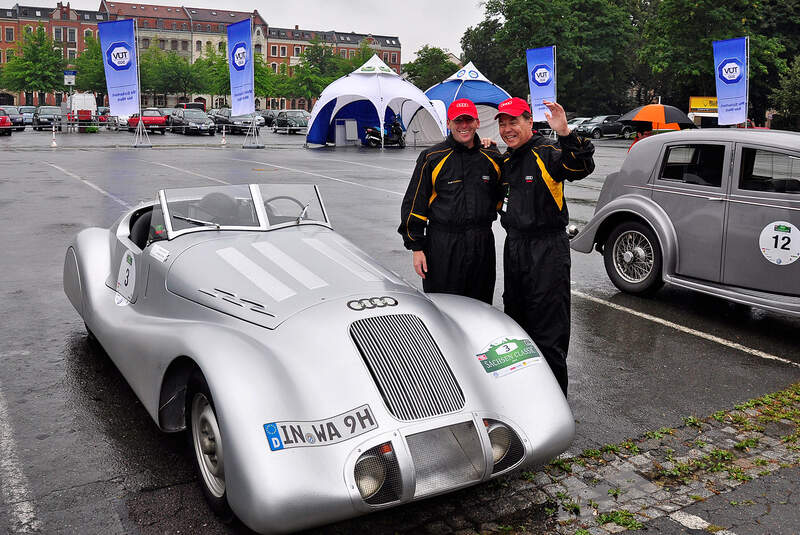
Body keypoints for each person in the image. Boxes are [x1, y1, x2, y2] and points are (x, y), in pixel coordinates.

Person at [495, 97, 595, 395]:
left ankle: (553, 404)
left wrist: (565, 133)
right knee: (516, 326)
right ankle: (524, 395)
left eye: (514, 122)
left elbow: (581, 166)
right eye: (502, 123)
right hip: (514, 249)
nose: (507, 129)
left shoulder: (548, 151)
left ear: (529, 121)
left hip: (547, 250)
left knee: (548, 331)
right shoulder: (507, 159)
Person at [398, 98, 504, 304]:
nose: (463, 126)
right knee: (443, 306)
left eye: (468, 120)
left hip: (481, 243)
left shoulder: (492, 156)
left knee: (480, 306)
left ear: (477, 123)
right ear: (449, 124)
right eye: (458, 121)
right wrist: (416, 248)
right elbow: (414, 203)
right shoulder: (432, 157)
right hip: (443, 244)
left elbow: (507, 193)